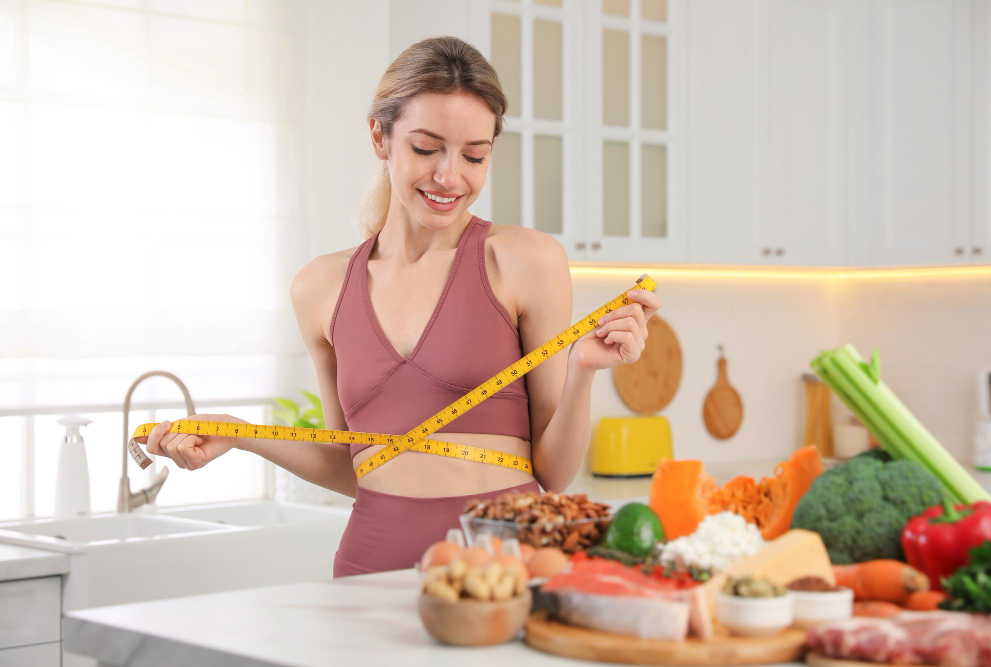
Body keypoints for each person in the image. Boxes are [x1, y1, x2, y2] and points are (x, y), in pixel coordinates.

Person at [136, 36, 661, 576]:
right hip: (369, 565)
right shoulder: (319, 287)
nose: (449, 176)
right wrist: (241, 435)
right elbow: (353, 461)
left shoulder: (524, 261)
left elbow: (554, 472)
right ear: (380, 137)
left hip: (503, 566)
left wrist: (582, 372)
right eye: (426, 148)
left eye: (474, 155)